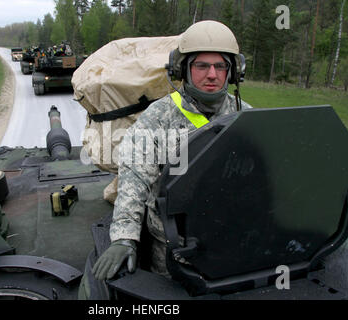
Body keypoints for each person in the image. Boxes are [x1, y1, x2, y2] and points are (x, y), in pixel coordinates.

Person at [80, 20, 253, 298]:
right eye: (201, 66)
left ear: (234, 72)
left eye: (220, 66)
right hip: (173, 250)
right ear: (182, 69)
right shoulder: (158, 117)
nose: (212, 74)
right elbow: (134, 177)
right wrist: (124, 237)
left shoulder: (247, 117)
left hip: (230, 242)